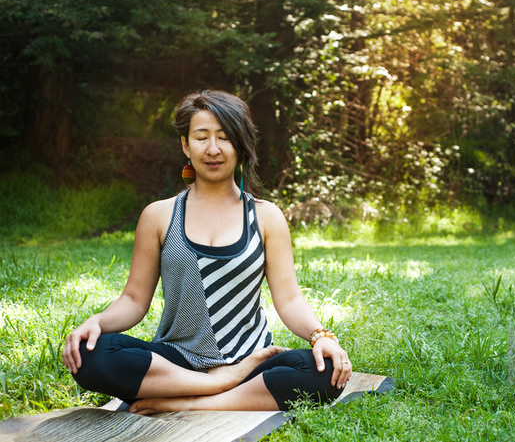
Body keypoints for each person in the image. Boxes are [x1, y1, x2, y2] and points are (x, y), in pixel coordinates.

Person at [61, 90, 352, 415]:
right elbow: (133, 300)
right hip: (175, 361)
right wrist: (96, 322)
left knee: (326, 371)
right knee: (89, 355)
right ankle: (219, 385)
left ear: (240, 145)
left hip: (251, 360)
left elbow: (290, 299)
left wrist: (321, 336)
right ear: (186, 145)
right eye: (201, 137)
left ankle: (191, 402)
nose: (213, 149)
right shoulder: (159, 215)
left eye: (225, 138)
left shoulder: (266, 216)